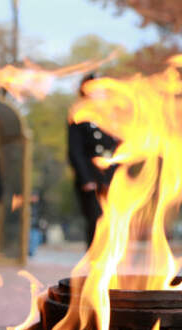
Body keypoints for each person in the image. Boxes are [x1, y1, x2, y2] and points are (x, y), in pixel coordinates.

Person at [67, 73, 119, 247]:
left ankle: (112, 263)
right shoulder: (78, 116)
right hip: (91, 176)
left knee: (115, 221)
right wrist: (86, 178)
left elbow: (118, 146)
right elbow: (75, 150)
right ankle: (96, 264)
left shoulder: (110, 115)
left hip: (111, 175)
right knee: (96, 220)